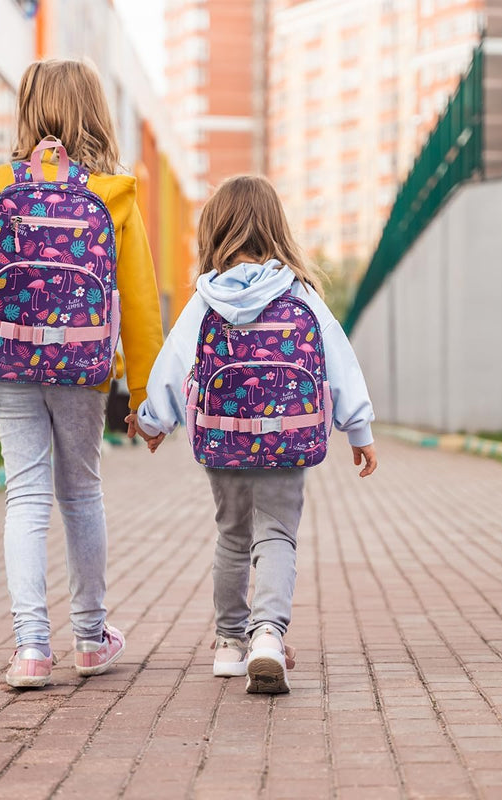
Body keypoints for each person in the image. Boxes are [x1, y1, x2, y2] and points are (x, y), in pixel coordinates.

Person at [0, 59, 163, 688]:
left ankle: (32, 649)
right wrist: (146, 398)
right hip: (83, 367)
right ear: (95, 110)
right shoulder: (112, 193)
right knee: (82, 492)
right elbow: (140, 303)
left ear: (28, 108)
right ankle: (91, 638)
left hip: (6, 359)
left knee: (26, 496)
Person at [127, 175, 376, 694]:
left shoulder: (206, 298)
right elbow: (337, 359)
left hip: (223, 439)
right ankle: (268, 636)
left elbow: (174, 365)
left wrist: (153, 420)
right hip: (287, 439)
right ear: (276, 228)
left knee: (233, 537)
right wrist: (358, 427)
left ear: (215, 231)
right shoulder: (300, 293)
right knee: (277, 534)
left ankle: (228, 644)